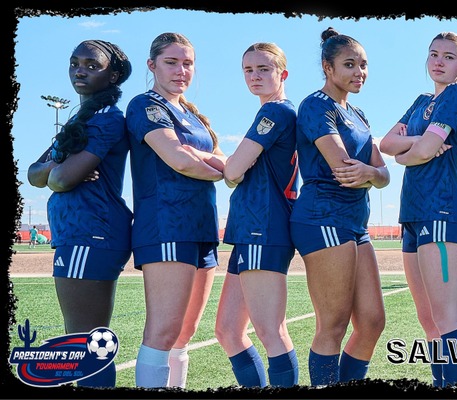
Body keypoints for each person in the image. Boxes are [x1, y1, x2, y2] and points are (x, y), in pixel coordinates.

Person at [25, 39, 132, 388]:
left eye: (91, 65)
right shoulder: (79, 118)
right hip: (79, 234)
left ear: (113, 75)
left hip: (92, 233)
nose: (79, 71)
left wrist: (58, 170)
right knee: (84, 342)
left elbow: (59, 180)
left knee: (85, 342)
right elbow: (34, 174)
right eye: (74, 63)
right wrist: (59, 167)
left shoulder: (108, 119)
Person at [292, 27, 390, 386]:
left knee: (373, 322)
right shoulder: (316, 105)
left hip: (355, 223)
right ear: (327, 67)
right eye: (349, 64)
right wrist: (370, 173)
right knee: (333, 324)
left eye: (363, 65)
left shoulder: (359, 114)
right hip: (323, 218)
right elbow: (345, 170)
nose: (359, 72)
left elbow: (383, 174)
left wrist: (372, 173)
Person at [126, 32, 224, 388]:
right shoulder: (145, 105)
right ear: (152, 65)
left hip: (202, 227)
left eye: (187, 63)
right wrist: (223, 170)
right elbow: (179, 160)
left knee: (185, 332)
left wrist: (213, 161)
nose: (181, 70)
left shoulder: (194, 116)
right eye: (171, 62)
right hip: (166, 225)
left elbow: (217, 158)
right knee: (164, 330)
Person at [378, 32, 457, 389]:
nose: (439, 61)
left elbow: (418, 153)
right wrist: (417, 143)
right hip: (412, 214)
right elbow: (387, 143)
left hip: (442, 210)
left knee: (448, 317)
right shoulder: (420, 101)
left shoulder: (456, 96)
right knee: (428, 318)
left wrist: (409, 153)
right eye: (434, 54)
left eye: (449, 56)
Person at [212, 42, 299, 388]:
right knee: (228, 330)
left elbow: (233, 171)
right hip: (251, 228)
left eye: (264, 69)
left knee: (271, 331)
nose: (255, 76)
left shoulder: (275, 112)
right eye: (248, 70)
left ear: (283, 74)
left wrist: (209, 158)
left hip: (265, 226)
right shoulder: (271, 112)